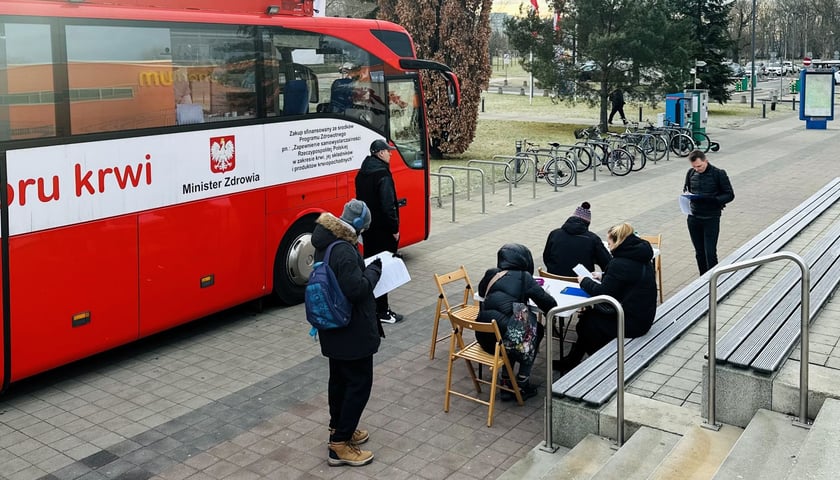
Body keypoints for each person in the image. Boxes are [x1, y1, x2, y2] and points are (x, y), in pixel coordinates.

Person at [311, 198, 383, 467]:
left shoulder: (325, 240)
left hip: (333, 329)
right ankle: (339, 445)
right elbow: (357, 290)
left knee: (339, 381)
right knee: (359, 385)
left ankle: (338, 428)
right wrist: (375, 271)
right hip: (351, 331)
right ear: (357, 226)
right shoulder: (344, 250)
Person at [560, 223, 657, 372]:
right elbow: (629, 277)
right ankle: (572, 360)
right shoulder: (641, 256)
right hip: (643, 315)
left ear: (618, 241)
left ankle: (602, 364)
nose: (608, 247)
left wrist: (584, 281)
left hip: (631, 323)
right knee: (588, 319)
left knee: (585, 324)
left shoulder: (619, 263)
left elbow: (603, 293)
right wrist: (604, 275)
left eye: (610, 243)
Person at [476, 243, 557, 400]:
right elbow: (548, 304)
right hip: (505, 342)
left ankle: (506, 380)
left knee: (513, 329)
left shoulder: (492, 273)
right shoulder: (523, 277)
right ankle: (522, 382)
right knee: (534, 331)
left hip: (485, 338)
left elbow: (480, 292)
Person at [355, 139, 403, 324]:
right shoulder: (382, 174)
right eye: (388, 151)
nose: (391, 154)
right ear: (380, 153)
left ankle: (372, 307)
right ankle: (383, 311)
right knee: (384, 269)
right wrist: (395, 229)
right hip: (383, 231)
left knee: (371, 267)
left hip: (368, 229)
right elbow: (388, 205)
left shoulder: (362, 173)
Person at [683, 150, 735, 275]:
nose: (697, 169)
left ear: (706, 161)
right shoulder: (690, 173)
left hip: (711, 217)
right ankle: (703, 279)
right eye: (694, 166)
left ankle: (713, 279)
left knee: (710, 253)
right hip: (694, 217)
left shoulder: (718, 174)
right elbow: (687, 189)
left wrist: (714, 200)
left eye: (699, 166)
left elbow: (730, 195)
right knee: (699, 252)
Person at [542, 201, 612, 277]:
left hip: (553, 278)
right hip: (582, 282)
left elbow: (546, 257)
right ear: (587, 224)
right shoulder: (593, 239)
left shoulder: (554, 234)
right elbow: (607, 264)